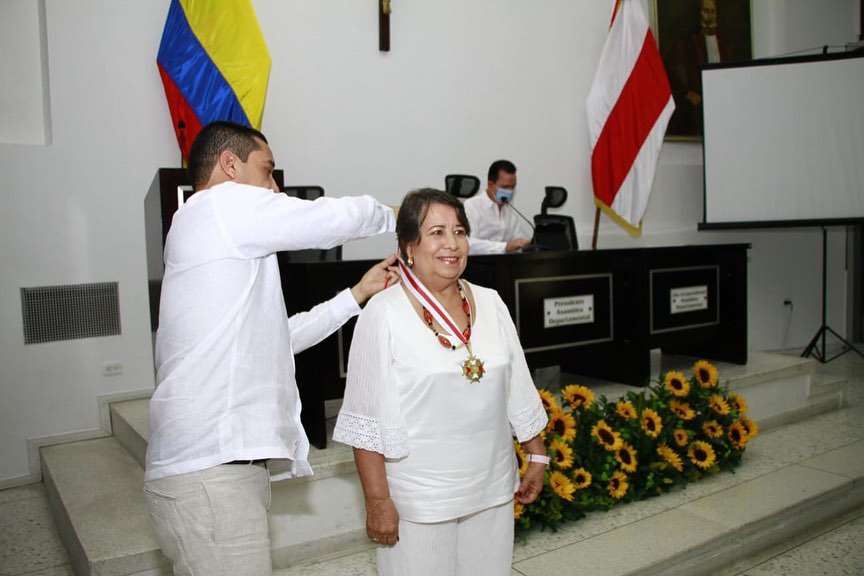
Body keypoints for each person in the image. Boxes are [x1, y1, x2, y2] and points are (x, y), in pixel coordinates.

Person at [144, 120, 400, 575]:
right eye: (267, 170)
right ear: (229, 164)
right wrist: (398, 214)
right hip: (210, 472)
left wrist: (357, 294)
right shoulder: (218, 208)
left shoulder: (216, 233)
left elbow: (282, 338)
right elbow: (324, 220)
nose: (275, 187)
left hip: (215, 471)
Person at [333, 188, 549, 575]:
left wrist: (536, 453)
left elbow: (516, 383)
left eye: (460, 231)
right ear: (408, 246)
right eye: (436, 232)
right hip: (421, 500)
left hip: (493, 487)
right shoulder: (382, 314)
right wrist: (378, 502)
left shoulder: (492, 301)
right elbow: (365, 422)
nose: (452, 243)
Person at [664, 0, 733, 137]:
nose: (709, 15)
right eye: (706, 11)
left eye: (712, 12)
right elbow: (671, 68)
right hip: (696, 109)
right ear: (700, 13)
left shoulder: (722, 41)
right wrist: (688, 93)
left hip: (720, 104)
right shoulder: (687, 39)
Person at [463, 160, 532, 254]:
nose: (510, 191)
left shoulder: (510, 212)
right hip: (477, 265)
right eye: (505, 187)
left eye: (513, 187)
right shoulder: (471, 206)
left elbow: (517, 241)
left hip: (504, 266)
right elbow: (468, 242)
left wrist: (527, 245)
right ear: (491, 185)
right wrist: (505, 247)